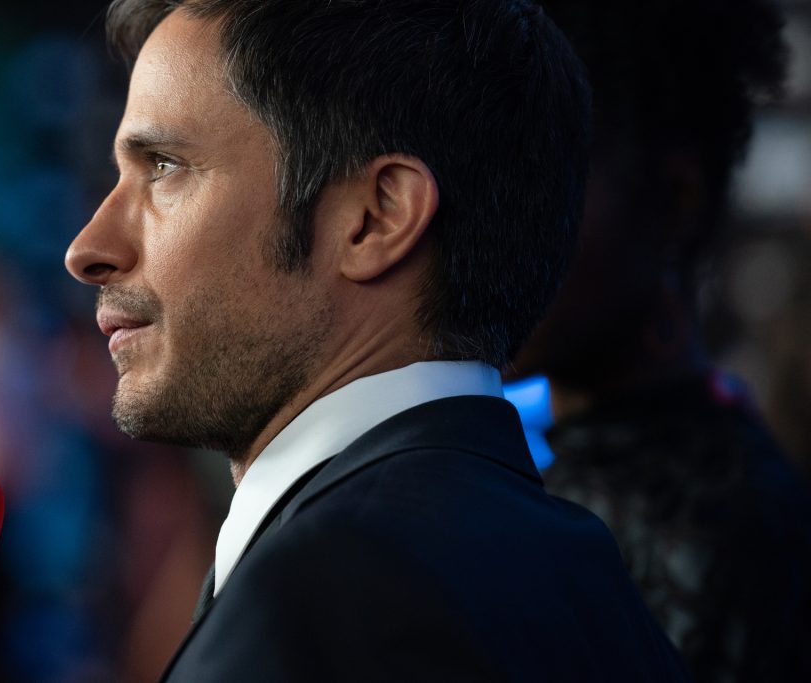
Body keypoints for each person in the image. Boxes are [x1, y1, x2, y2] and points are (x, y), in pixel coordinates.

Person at [63, 0, 689, 680]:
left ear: (377, 217)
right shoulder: (593, 585)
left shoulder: (310, 609)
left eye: (163, 167)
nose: (89, 248)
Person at [510, 0, 811, 680]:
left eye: (546, 180)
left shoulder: (672, 527)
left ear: (675, 199)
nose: (498, 223)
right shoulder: (733, 477)